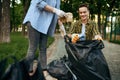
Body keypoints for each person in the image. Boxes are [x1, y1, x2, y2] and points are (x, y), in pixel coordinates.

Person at [22, 0, 66, 79]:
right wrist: (55, 10)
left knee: (43, 48)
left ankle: (43, 70)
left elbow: (57, 13)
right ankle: (28, 71)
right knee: (33, 48)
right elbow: (38, 3)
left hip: (45, 24)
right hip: (34, 21)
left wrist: (61, 24)